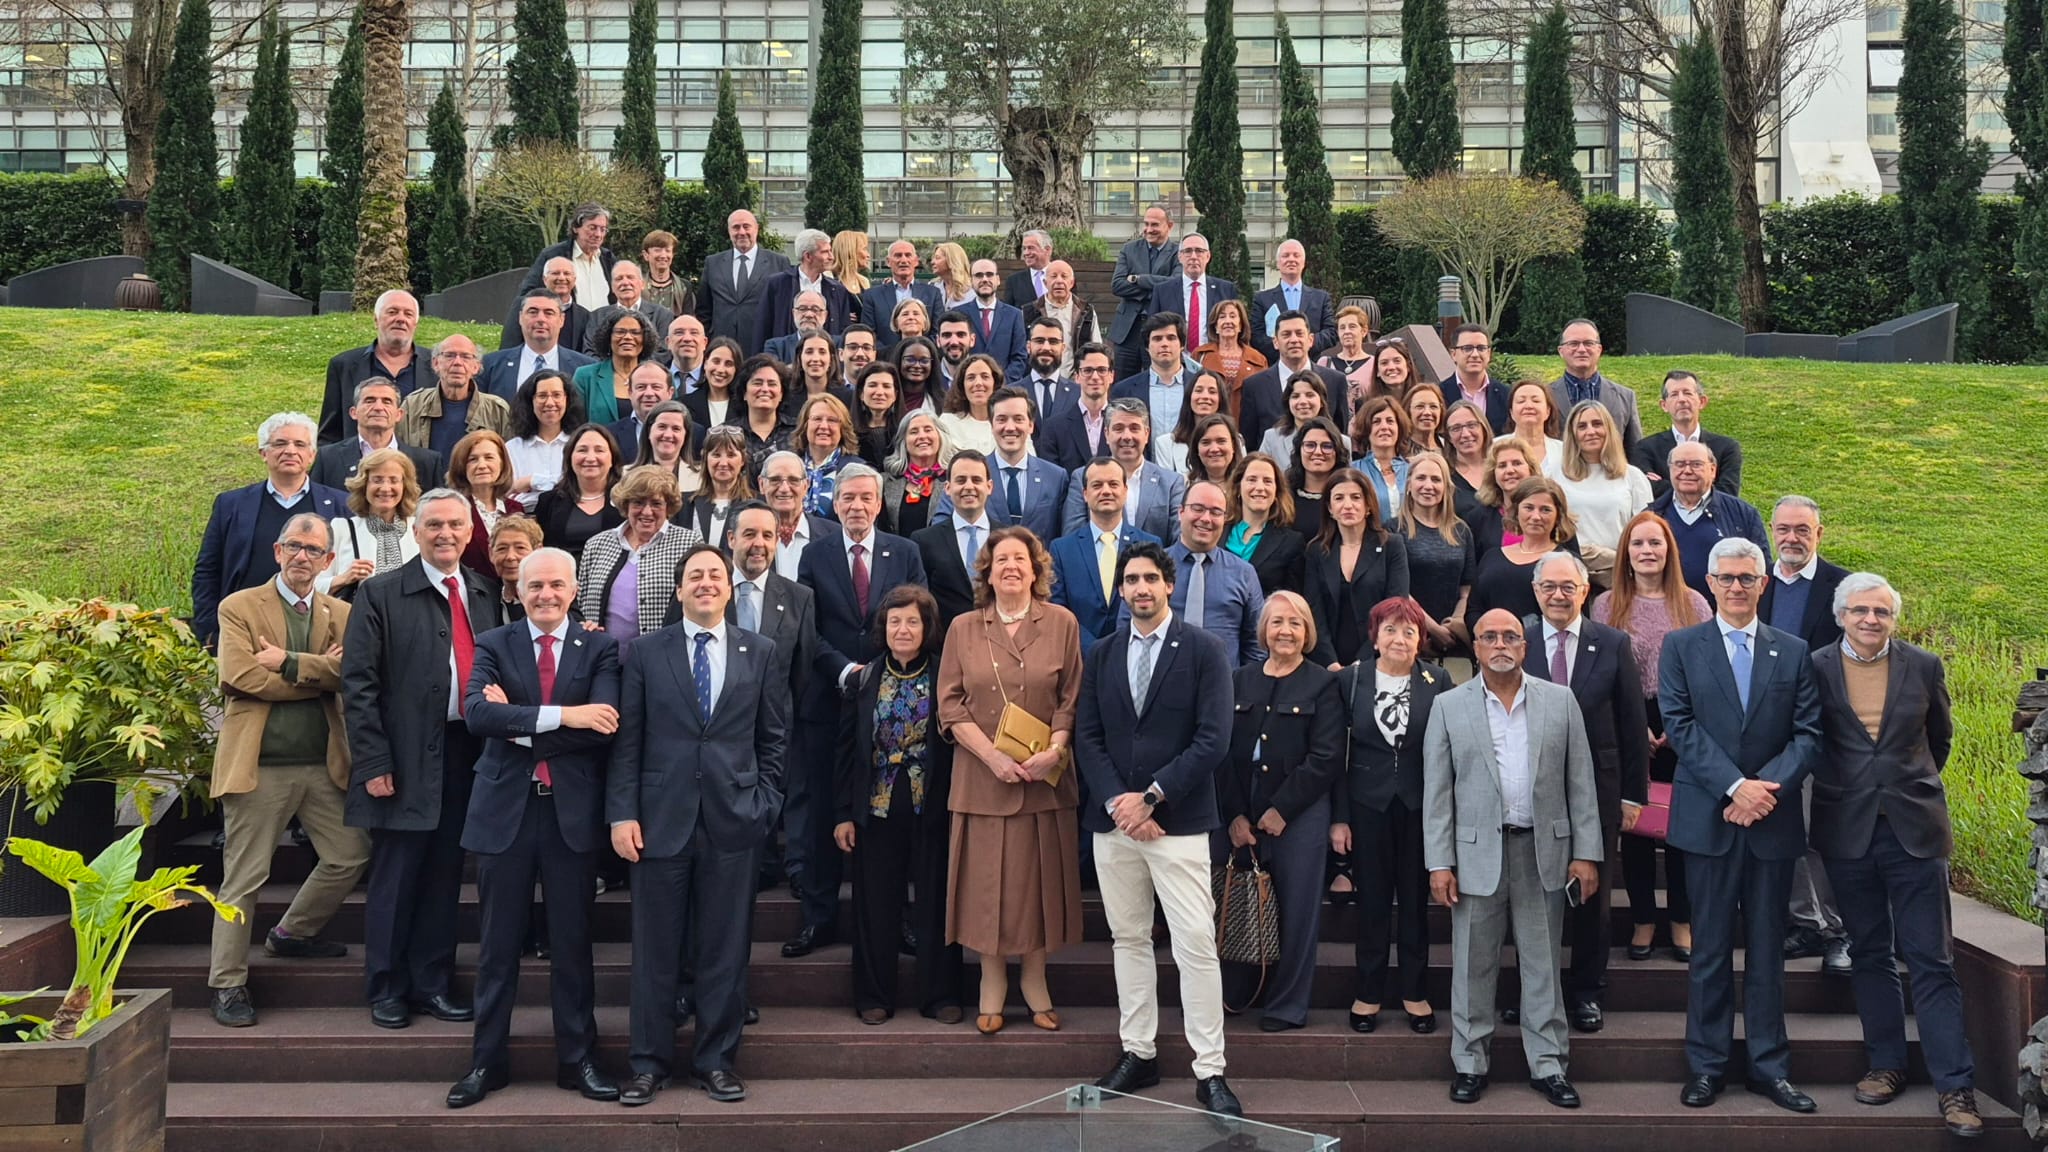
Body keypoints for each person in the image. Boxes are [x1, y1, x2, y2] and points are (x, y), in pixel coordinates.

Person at [609, 542, 789, 1106]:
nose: (707, 582)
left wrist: (764, 803)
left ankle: (715, 1061)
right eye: (696, 576)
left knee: (724, 948)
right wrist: (623, 813)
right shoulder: (642, 652)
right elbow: (627, 742)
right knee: (655, 950)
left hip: (734, 821)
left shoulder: (758, 651)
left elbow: (774, 737)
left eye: (716, 574)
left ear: (729, 588)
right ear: (680, 590)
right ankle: (648, 1064)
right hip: (659, 822)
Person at [446, 547, 623, 1108]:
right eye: (534, 586)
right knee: (497, 949)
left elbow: (605, 727)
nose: (545, 595)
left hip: (569, 816)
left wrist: (516, 721)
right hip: (505, 814)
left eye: (556, 585)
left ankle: (578, 1061)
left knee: (572, 947)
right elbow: (477, 715)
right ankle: (486, 1062)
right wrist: (565, 714)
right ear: (516, 593)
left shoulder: (600, 647)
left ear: (574, 590)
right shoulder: (495, 644)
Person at [1809, 574, 1982, 1137]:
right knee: (1869, 954)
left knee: (1932, 959)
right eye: (1859, 610)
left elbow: (1941, 741)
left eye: (1881, 611)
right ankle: (1886, 1066)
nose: (1870, 620)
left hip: (1915, 830)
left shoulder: (1925, 666)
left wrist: (1905, 787)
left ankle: (1955, 1086)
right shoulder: (1814, 667)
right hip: (1847, 830)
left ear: (1893, 618)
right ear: (1841, 615)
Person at [1658, 537, 1822, 1115]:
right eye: (1725, 578)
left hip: (1770, 824)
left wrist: (1762, 793)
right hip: (1708, 819)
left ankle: (1769, 1068)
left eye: (1746, 578)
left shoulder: (1794, 651)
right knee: (1708, 953)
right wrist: (1735, 787)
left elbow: (1808, 733)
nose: (1735, 587)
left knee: (1768, 953)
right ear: (1709, 583)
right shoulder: (1681, 646)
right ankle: (1706, 1067)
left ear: (1763, 584)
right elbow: (1679, 726)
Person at [1076, 543, 1241, 1116]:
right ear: (1121, 590)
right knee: (1128, 940)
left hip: (1179, 820)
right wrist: (1121, 805)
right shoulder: (1101, 652)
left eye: (1150, 578)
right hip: (1114, 822)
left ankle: (1210, 1068)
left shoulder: (1203, 649)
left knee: (1195, 943)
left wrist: (1152, 799)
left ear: (1168, 585)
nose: (1141, 588)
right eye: (1131, 580)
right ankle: (1138, 1052)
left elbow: (1213, 739)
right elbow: (1087, 737)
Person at [1425, 608, 1603, 1108]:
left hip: (1543, 851)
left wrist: (1586, 853)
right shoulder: (1449, 706)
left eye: (1510, 636)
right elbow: (1438, 792)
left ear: (1525, 647)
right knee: (1472, 966)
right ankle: (1469, 1062)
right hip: (1476, 854)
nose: (1500, 643)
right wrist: (1439, 862)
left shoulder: (1560, 702)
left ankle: (1548, 1066)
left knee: (1543, 963)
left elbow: (1580, 783)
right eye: (1489, 637)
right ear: (1475, 647)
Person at [342, 488, 503, 1030]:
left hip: (466, 753)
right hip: (403, 755)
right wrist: (373, 763)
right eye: (434, 524)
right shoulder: (381, 593)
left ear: (468, 532)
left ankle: (434, 983)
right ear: (416, 531)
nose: (445, 534)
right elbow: (358, 685)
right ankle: (387, 987)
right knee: (397, 875)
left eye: (456, 525)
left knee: (444, 874)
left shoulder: (484, 590)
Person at [207, 513, 370, 1029]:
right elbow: (239, 677)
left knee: (350, 854)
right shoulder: (239, 606)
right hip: (259, 765)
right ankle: (227, 983)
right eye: (294, 547)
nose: (303, 557)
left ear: (328, 560)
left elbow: (352, 673)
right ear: (277, 552)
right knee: (244, 877)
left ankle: (292, 933)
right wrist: (317, 670)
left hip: (324, 764)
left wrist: (287, 661)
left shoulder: (340, 612)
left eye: (314, 550)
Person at [938, 527, 1086, 1033]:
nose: (1010, 568)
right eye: (1001, 560)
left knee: (1037, 884)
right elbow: (950, 705)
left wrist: (1055, 750)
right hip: (982, 780)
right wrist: (991, 758)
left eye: (1020, 559)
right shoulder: (963, 627)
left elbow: (1071, 696)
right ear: (987, 571)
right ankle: (992, 979)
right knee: (986, 886)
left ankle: (1036, 978)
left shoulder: (1062, 622)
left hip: (1046, 780)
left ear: (1035, 568)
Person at [788, 463, 928, 959]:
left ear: (878, 502)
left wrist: (887, 672)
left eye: (865, 498)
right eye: (847, 498)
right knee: (826, 809)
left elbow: (919, 618)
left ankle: (904, 919)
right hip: (832, 697)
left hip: (897, 707)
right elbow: (810, 626)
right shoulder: (814, 553)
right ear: (834, 501)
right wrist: (847, 670)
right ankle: (819, 918)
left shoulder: (905, 551)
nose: (856, 506)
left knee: (898, 817)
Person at [1523, 551, 1649, 1034]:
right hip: (1530, 791)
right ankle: (1536, 992)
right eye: (1549, 587)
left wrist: (1633, 795)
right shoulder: (1522, 641)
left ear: (1584, 592)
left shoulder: (1612, 644)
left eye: (1567, 587)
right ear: (1536, 593)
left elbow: (1633, 725)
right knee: (1533, 898)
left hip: (1599, 790)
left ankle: (1587, 992)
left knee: (1591, 897)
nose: (1558, 595)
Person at [833, 584, 964, 1025]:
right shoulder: (866, 677)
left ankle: (940, 994)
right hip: (876, 807)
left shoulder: (946, 673)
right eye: (894, 621)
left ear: (926, 628)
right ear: (882, 628)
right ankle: (873, 995)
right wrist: (842, 816)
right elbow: (846, 751)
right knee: (874, 904)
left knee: (936, 902)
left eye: (912, 621)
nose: (903, 629)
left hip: (934, 806)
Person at [1217, 591, 1344, 1031]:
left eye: (1294, 622)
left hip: (1300, 810)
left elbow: (1327, 756)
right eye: (1276, 622)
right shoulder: (1238, 679)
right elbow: (1221, 750)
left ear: (1307, 632)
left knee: (1296, 909)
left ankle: (1286, 1004)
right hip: (1241, 806)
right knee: (1239, 899)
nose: (1285, 631)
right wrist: (1235, 813)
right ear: (1263, 631)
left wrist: (1281, 810)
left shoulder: (1323, 683)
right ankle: (1238, 990)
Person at [1593, 512, 1708, 964]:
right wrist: (1634, 723)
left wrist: (1678, 725)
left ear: (1668, 550)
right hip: (1627, 718)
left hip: (1683, 721)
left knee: (1681, 823)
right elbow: (1602, 670)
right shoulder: (1606, 605)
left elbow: (1706, 669)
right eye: (1638, 544)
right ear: (1626, 552)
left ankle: (1681, 918)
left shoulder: (1694, 603)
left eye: (1655, 543)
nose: (1647, 551)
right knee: (1636, 822)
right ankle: (1643, 918)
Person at [1332, 595, 1447, 1035]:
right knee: (1374, 902)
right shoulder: (1352, 680)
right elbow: (1336, 755)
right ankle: (1369, 990)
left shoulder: (1437, 681)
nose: (1400, 638)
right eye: (1391, 630)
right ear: (1375, 637)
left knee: (1416, 902)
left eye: (1409, 631)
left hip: (1420, 806)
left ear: (1420, 640)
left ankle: (1415, 991)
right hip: (1366, 805)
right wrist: (1339, 818)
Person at [1759, 495, 1853, 972]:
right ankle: (1805, 923)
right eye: (1783, 529)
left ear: (1819, 534)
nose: (1791, 538)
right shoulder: (1757, 583)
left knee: (1820, 831)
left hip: (1823, 729)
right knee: (1784, 830)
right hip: (1764, 730)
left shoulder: (1842, 587)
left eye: (1802, 529)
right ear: (1772, 532)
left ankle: (1838, 930)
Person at [193, 411, 350, 648]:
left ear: (312, 455)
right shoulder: (231, 504)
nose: (290, 450)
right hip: (245, 628)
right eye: (280, 443)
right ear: (263, 453)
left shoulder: (341, 505)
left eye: (299, 444)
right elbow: (207, 570)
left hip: (317, 633)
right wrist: (210, 632)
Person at [1123, 480, 1265, 665]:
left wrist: (1241, 688)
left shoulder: (1243, 573)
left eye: (1215, 512)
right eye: (1197, 509)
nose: (1206, 518)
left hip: (1224, 687)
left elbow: (1256, 644)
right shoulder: (1150, 568)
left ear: (1224, 519)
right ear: (1181, 512)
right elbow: (1127, 628)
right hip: (1158, 685)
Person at [575, 466, 701, 653]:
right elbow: (580, 602)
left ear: (668, 507)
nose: (647, 512)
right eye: (638, 503)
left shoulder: (689, 543)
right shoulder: (596, 545)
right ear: (626, 505)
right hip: (603, 661)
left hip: (663, 658)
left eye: (656, 504)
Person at [1050, 457, 1163, 651]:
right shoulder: (1061, 550)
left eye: (1113, 484)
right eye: (1097, 485)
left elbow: (1155, 603)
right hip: (1080, 659)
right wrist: (1094, 650)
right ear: (1085, 494)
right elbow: (1058, 611)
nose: (1106, 491)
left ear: (1125, 491)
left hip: (1135, 653)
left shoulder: (1151, 544)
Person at [1305, 468, 1410, 668]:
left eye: (1356, 497)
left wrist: (1363, 661)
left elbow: (1395, 607)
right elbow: (1314, 612)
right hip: (1328, 663)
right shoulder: (1316, 551)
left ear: (1368, 505)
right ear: (1329, 507)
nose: (1348, 505)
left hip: (1378, 659)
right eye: (1339, 498)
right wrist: (1330, 662)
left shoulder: (1391, 546)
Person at [1644, 441, 1769, 606]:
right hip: (1666, 615)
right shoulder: (1650, 517)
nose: (1687, 471)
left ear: (1712, 471)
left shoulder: (1743, 515)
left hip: (1725, 618)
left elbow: (1762, 568)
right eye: (1679, 464)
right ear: (1670, 470)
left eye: (1696, 464)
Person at [947, 386, 1067, 543]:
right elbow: (943, 528)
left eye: (1018, 419)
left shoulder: (1056, 477)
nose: (1010, 428)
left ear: (1031, 425)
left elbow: (1064, 535)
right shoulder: (970, 475)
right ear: (991, 425)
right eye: (1001, 419)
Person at [319, 289, 436, 444]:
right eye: (392, 312)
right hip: (359, 463)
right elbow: (329, 433)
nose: (400, 319)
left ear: (415, 323)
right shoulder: (344, 366)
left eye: (408, 314)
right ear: (376, 320)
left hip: (419, 464)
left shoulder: (438, 366)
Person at [1060, 398, 1185, 542]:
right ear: (1106, 434)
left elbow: (1178, 540)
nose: (1126, 436)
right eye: (1118, 428)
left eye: (1134, 428)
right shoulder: (1082, 477)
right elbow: (1073, 539)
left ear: (1146, 434)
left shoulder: (1171, 483)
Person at [1554, 400, 1652, 583]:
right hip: (1572, 575)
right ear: (1572, 434)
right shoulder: (1555, 476)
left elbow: (1645, 529)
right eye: (1582, 426)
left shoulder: (1633, 476)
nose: (1590, 431)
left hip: (1622, 575)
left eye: (1597, 424)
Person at [1467, 476, 1575, 628]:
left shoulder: (1568, 563)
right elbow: (1474, 609)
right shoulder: (1491, 557)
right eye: (1529, 508)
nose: (1536, 517)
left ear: (1558, 516)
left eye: (1545, 510)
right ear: (1516, 511)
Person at [1397, 452, 1474, 659]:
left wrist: (1453, 625)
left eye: (1436, 479)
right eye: (1421, 478)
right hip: (1409, 637)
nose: (1428, 486)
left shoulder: (1461, 530)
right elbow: (1398, 589)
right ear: (1409, 485)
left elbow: (1466, 590)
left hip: (1454, 641)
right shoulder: (1394, 530)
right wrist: (1432, 629)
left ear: (1446, 487)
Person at [1241, 312, 1350, 448]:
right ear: (1275, 342)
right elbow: (1249, 441)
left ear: (1310, 340)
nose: (1294, 340)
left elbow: (1340, 434)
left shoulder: (1335, 381)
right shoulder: (1255, 386)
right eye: (1286, 335)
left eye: (1299, 334)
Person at [323, 448, 422, 598]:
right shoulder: (341, 529)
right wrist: (343, 579)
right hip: (357, 618)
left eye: (393, 480)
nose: (385, 488)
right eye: (377, 480)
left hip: (412, 619)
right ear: (364, 485)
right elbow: (314, 586)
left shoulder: (420, 528)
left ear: (405, 485)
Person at [311, 378, 442, 490]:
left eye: (387, 401)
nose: (378, 407)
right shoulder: (327, 458)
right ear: (353, 412)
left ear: (399, 414)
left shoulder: (427, 463)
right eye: (369, 400)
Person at [910, 450, 991, 631]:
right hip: (946, 645)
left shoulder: (1007, 537)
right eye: (960, 480)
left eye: (976, 480)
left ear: (989, 486)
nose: (969, 487)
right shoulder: (924, 540)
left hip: (1000, 643)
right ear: (947, 488)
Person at [1630, 370, 1743, 498]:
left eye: (1687, 393)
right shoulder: (1646, 448)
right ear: (1664, 405)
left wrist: (1664, 485)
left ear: (1702, 401)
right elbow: (1647, 491)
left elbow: (1727, 494)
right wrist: (1704, 486)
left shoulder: (1727, 448)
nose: (1682, 399)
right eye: (1674, 394)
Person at [398, 336, 511, 463]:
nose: (457, 362)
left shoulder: (497, 410)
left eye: (466, 357)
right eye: (449, 355)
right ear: (435, 363)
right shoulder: (413, 405)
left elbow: (508, 461)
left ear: (476, 367)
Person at [697, 208, 791, 354]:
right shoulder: (713, 263)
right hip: (721, 348)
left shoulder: (778, 263)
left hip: (762, 347)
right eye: (736, 227)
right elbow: (704, 309)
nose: (741, 232)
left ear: (756, 229)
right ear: (729, 231)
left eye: (746, 226)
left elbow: (784, 309)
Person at [531, 425, 625, 560]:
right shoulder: (549, 502)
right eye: (582, 450)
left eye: (599, 450)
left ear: (612, 459)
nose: (591, 458)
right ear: (570, 457)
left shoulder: (627, 502)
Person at [1551, 319, 1643, 454]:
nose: (1581, 349)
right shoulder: (1545, 396)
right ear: (1561, 351)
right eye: (1573, 344)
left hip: (1611, 473)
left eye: (1588, 343)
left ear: (1599, 349)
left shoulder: (1625, 397)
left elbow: (1635, 451)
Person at [754, 229, 856, 351]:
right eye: (825, 252)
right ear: (808, 256)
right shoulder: (778, 285)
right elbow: (762, 327)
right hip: (785, 361)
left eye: (830, 251)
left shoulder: (837, 289)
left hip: (825, 362)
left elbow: (843, 332)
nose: (831, 257)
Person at [1109, 204, 1180, 378]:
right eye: (1146, 224)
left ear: (1169, 226)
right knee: (1121, 387)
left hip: (1159, 330)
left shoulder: (1178, 253)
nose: (1148, 229)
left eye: (1154, 224)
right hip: (1127, 332)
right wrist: (1154, 289)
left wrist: (1138, 279)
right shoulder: (1129, 249)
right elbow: (1117, 285)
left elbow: (1175, 285)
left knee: (1157, 382)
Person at [1111, 314, 1199, 453]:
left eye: (1171, 338)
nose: (1164, 344)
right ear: (1147, 347)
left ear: (1182, 345)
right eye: (1157, 339)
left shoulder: (1199, 386)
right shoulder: (1124, 390)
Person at [512, 202, 616, 316]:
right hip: (569, 329)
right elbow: (527, 295)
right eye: (592, 228)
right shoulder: (553, 255)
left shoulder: (608, 259)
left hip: (603, 330)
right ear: (576, 228)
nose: (598, 234)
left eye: (603, 229)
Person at [487, 287, 595, 394]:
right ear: (520, 317)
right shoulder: (491, 365)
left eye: (549, 313)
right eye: (533, 312)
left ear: (562, 319)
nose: (541, 319)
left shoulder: (585, 368)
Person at [445, 430, 522, 579]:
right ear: (462, 467)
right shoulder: (454, 510)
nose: (482, 465)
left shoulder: (517, 509)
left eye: (489, 457)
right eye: (473, 459)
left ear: (502, 463)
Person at [1145, 232, 1239, 354]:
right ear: (1180, 257)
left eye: (1199, 251)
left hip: (1214, 359)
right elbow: (1151, 330)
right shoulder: (1162, 291)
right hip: (1175, 361)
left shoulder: (1226, 289)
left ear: (1208, 256)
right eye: (1188, 251)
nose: (1193, 256)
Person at [1224, 451, 1303, 596]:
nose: (1260, 487)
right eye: (1252, 480)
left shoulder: (1291, 542)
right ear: (1238, 487)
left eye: (1267, 481)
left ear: (1276, 491)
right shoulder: (1217, 532)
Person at [1250, 239, 1336, 361]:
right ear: (1278, 263)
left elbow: (1331, 332)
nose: (1291, 259)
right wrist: (1283, 347)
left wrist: (1306, 344)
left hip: (1312, 366)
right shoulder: (1262, 299)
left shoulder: (1321, 298)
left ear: (1304, 262)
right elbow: (1256, 335)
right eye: (1285, 256)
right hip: (1276, 365)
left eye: (1296, 255)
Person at [504, 369, 585, 497]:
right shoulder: (512, 448)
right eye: (542, 396)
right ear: (531, 401)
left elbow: (582, 486)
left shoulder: (580, 445)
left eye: (556, 395)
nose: (550, 403)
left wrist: (530, 481)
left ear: (567, 399)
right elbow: (506, 494)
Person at [571, 310, 655, 428]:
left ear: (645, 339)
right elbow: (574, 424)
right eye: (620, 332)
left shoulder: (659, 376)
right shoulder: (585, 376)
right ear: (608, 337)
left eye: (635, 333)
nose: (627, 337)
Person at [760, 450, 834, 581]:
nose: (784, 488)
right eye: (775, 480)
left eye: (793, 480)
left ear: (806, 485)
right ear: (762, 484)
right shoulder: (745, 538)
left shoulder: (834, 536)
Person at [584, 261, 679, 364]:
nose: (625, 282)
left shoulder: (662, 315)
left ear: (642, 284)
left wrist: (633, 370)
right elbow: (589, 352)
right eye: (619, 279)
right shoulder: (597, 316)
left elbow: (663, 353)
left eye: (630, 277)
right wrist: (615, 371)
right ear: (612, 287)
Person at [1041, 342, 1115, 471]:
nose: (1095, 377)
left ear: (1111, 376)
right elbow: (1052, 479)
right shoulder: (1054, 427)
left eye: (1102, 370)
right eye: (1087, 370)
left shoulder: (1124, 424)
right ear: (1077, 377)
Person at [1021, 260, 1101, 378]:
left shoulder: (1086, 311)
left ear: (1072, 282)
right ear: (1045, 282)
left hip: (1076, 381)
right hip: (1038, 378)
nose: (1059, 281)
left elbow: (1096, 348)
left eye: (1064, 276)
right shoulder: (1028, 311)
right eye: (1053, 276)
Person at [861, 240, 946, 350]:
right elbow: (868, 334)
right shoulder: (872, 295)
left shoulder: (932, 293)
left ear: (916, 261)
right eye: (898, 255)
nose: (903, 260)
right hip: (886, 361)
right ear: (888, 262)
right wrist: (894, 355)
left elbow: (938, 332)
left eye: (908, 255)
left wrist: (919, 352)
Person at [881, 410, 953, 536]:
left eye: (928, 430)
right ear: (904, 441)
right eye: (914, 432)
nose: (922, 436)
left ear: (940, 436)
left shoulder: (953, 480)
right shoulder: (885, 482)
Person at [1191, 298, 1268, 413]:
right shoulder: (1200, 355)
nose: (1228, 321)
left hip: (1245, 422)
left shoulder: (1258, 359)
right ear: (1215, 326)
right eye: (1222, 317)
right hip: (1208, 421)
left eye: (1233, 316)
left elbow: (1263, 397)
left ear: (1241, 325)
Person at [1462, 436, 1536, 552]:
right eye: (1502, 466)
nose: (1510, 470)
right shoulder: (1478, 518)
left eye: (1517, 463)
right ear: (1493, 474)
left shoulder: (1550, 510)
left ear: (1531, 469)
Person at [1258, 370, 1342, 470]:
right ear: (1288, 402)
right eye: (1295, 396)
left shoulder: (1342, 441)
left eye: (1310, 395)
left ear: (1322, 401)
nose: (1302, 401)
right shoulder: (1271, 438)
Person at [1284, 416, 1349, 542]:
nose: (1318, 452)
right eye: (1310, 445)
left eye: (1327, 446)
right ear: (1299, 451)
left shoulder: (1349, 497)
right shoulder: (1284, 497)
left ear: (1337, 452)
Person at [793, 393, 859, 519]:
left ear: (843, 428)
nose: (823, 426)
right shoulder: (790, 467)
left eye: (832, 420)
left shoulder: (857, 470)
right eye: (817, 419)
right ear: (805, 425)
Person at [1438, 323, 1512, 433]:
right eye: (1467, 348)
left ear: (1489, 353)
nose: (1475, 354)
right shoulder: (1439, 394)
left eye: (1481, 348)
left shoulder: (1506, 395)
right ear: (1453, 354)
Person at [1354, 395, 1413, 523]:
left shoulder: (1413, 470)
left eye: (1390, 421)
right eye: (1376, 422)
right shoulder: (1353, 471)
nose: (1384, 427)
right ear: (1366, 429)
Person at [966, 259, 1029, 379]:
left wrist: (1001, 383)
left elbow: (1020, 357)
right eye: (979, 275)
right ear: (971, 281)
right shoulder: (959, 314)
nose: (985, 279)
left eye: (989, 274)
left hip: (1005, 389)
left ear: (998, 280)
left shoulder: (1014, 315)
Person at [1157, 371, 1228, 475]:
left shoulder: (1236, 441)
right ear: (1189, 397)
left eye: (1212, 391)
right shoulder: (1165, 443)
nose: (1205, 396)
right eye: (1198, 390)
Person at [734, 355, 798, 470]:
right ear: (744, 393)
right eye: (757, 383)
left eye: (772, 384)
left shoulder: (798, 431)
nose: (765, 389)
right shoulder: (729, 433)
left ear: (781, 394)